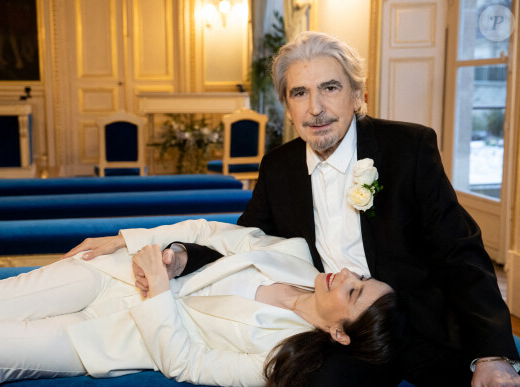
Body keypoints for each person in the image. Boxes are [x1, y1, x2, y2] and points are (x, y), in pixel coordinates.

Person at [70, 31, 520, 386]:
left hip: (416, 324)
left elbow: (459, 253)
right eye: (300, 93)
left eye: (330, 88)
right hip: (326, 327)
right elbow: (242, 243)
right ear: (287, 106)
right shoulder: (280, 166)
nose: (317, 108)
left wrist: (494, 353)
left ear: (358, 96)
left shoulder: (409, 148)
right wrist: (144, 243)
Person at [0, 220, 398, 386]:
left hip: (122, 337)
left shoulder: (280, 359)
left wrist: (160, 290)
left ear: (339, 333)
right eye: (362, 277)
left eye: (354, 291)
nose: (349, 275)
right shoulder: (294, 253)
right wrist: (140, 245)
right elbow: (206, 232)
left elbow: (187, 362)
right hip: (112, 275)